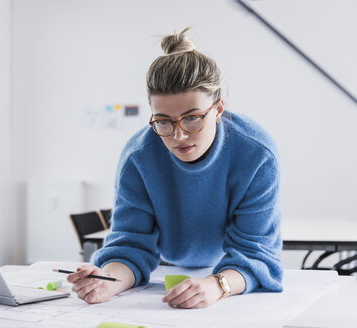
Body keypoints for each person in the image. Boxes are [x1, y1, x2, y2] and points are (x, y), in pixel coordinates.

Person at [67, 27, 283, 309]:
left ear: (218, 109)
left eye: (192, 118)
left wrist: (218, 285)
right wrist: (107, 282)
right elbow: (130, 246)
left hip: (224, 272)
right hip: (164, 268)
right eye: (163, 121)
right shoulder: (139, 156)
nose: (178, 135)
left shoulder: (256, 153)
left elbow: (255, 254)